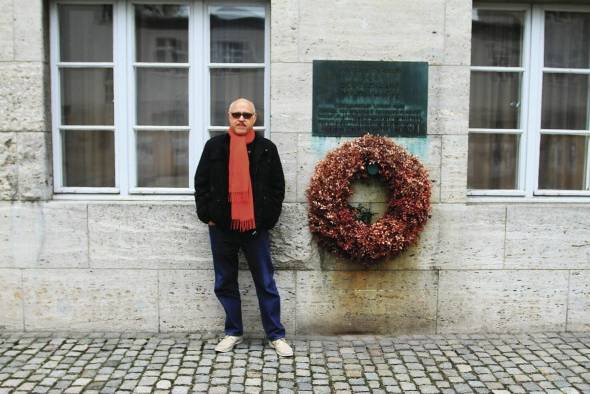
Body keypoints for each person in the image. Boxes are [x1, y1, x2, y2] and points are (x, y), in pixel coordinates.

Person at [193, 98, 293, 357]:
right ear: (228, 116)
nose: (241, 119)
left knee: (265, 283)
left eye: (246, 115)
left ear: (254, 119)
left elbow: (277, 188)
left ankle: (276, 335)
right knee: (225, 281)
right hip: (222, 227)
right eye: (236, 114)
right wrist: (208, 216)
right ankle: (233, 331)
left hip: (255, 229)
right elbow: (201, 183)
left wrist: (266, 220)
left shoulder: (266, 149)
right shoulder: (214, 147)